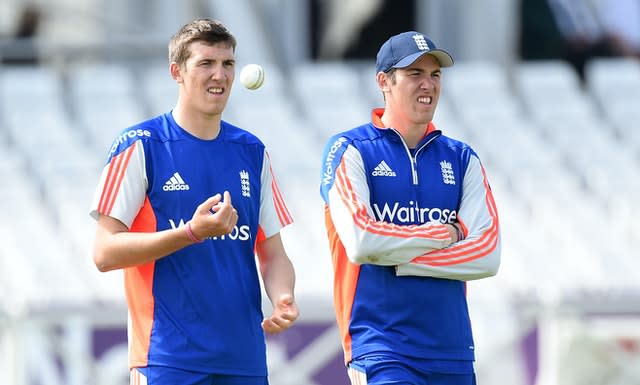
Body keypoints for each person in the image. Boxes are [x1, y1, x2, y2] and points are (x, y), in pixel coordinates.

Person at [89, 18, 298, 385]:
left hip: (244, 359)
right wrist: (190, 233)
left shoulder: (251, 151)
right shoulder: (140, 144)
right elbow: (104, 253)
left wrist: (282, 297)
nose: (220, 75)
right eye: (206, 63)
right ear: (177, 72)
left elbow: (273, 252)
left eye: (227, 64)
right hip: (167, 359)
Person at [320, 31, 501, 385]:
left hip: (453, 350)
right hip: (380, 347)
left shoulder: (462, 158)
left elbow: (487, 254)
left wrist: (398, 258)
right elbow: (362, 242)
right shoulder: (350, 149)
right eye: (415, 74)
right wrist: (445, 234)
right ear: (383, 81)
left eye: (435, 75)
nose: (428, 85)